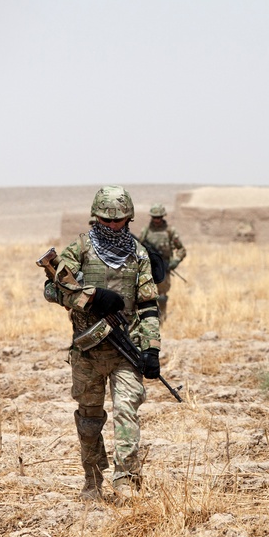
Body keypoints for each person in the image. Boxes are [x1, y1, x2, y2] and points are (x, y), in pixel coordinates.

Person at [48, 185, 162, 502]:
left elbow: (149, 305)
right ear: (95, 218)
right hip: (87, 351)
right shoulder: (80, 250)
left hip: (126, 351)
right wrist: (92, 297)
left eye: (120, 220)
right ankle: (93, 482)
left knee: (127, 411)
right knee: (89, 419)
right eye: (107, 221)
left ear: (129, 218)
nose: (114, 226)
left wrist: (152, 348)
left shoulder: (138, 254)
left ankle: (126, 480)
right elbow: (53, 288)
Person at [138, 203, 187, 323]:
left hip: (163, 268)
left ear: (163, 217)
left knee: (162, 296)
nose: (157, 220)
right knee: (145, 295)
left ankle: (162, 318)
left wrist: (175, 261)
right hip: (148, 267)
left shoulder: (170, 231)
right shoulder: (145, 231)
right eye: (154, 217)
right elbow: (138, 247)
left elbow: (181, 249)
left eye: (159, 217)